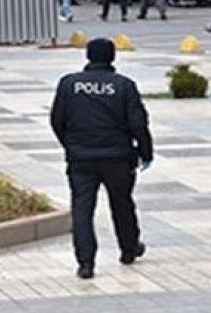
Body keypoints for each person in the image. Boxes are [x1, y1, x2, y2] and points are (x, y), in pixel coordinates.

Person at [50, 38, 153, 280]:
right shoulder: (124, 85)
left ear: (88, 56)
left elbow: (57, 120)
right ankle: (129, 248)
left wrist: (71, 145)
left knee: (82, 209)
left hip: (81, 157)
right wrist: (146, 152)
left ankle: (86, 262)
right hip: (117, 156)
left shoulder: (69, 84)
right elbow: (138, 123)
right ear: (112, 57)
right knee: (122, 203)